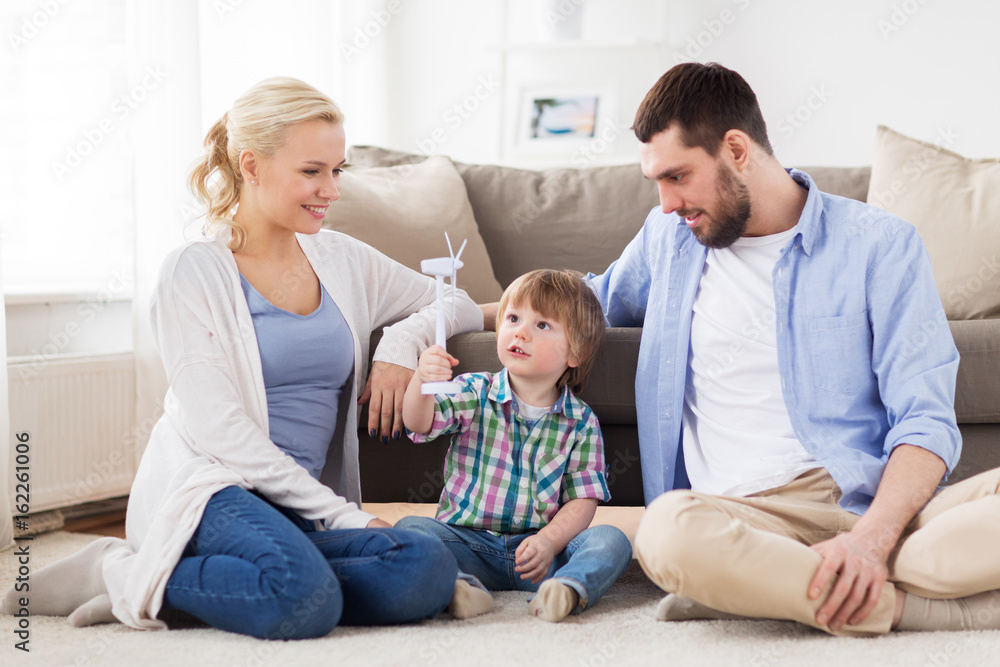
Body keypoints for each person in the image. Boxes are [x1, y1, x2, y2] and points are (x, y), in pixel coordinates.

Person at [1, 77, 485, 638]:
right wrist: (343, 515)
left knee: (425, 567)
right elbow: (221, 431)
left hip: (297, 506)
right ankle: (118, 572)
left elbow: (455, 300)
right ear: (251, 166)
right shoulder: (193, 272)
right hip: (214, 490)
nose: (331, 189)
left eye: (338, 171)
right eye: (312, 171)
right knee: (304, 598)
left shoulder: (343, 259)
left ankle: (183, 582)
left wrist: (400, 347)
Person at [584, 62, 1000, 636]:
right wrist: (426, 320)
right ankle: (913, 606)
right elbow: (576, 307)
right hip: (738, 519)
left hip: (861, 498)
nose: (665, 203)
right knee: (664, 532)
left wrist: (870, 539)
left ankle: (763, 588)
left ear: (735, 149)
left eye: (677, 176)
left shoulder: (880, 246)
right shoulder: (668, 240)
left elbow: (924, 421)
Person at [397, 269, 633, 623]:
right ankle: (460, 587)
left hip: (540, 554)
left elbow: (582, 500)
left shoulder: (581, 422)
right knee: (411, 530)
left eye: (542, 326)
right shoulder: (474, 391)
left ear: (576, 352)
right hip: (468, 544)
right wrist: (422, 380)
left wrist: (550, 542)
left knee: (612, 541)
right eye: (512, 318)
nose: (520, 331)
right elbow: (419, 422)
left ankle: (565, 589)